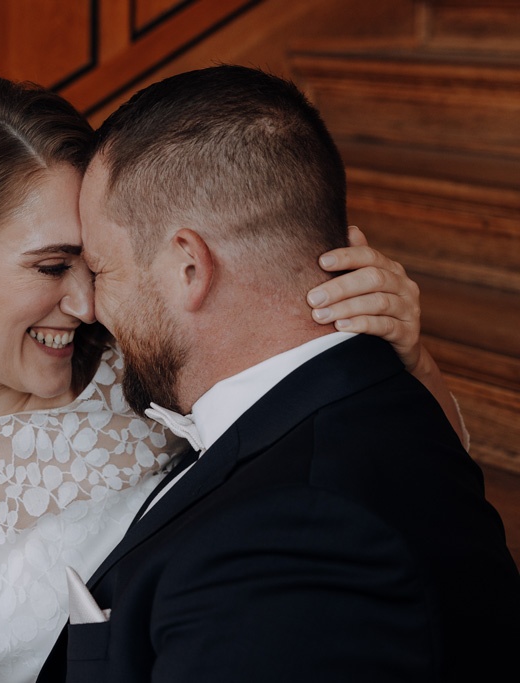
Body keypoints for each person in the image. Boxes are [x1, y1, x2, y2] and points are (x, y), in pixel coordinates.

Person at [0, 78, 461, 683]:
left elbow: (385, 478)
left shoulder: (138, 362)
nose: (88, 305)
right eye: (51, 266)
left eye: (94, 266)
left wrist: (402, 355)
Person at [35, 65, 520, 682]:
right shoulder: (368, 388)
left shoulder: (293, 540)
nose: (88, 307)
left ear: (190, 267)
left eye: (102, 271)